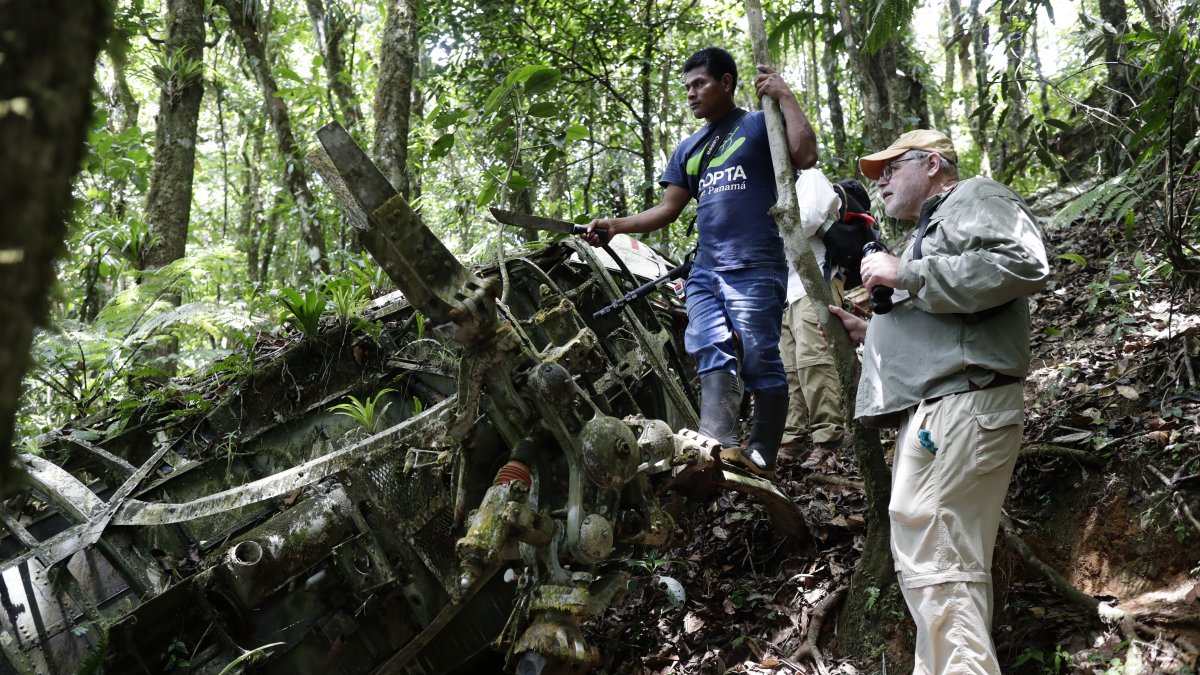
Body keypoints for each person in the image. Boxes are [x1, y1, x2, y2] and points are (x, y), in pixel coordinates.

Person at [827, 129, 1049, 673]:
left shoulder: (975, 196)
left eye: (890, 169)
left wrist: (907, 273)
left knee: (943, 557)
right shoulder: (932, 228)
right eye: (875, 174)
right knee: (931, 558)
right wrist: (875, 331)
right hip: (938, 408)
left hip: (965, 401)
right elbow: (945, 311)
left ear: (932, 163)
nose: (879, 182)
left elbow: (1022, 263)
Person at [583, 47, 817, 478]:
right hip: (706, 270)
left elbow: (804, 155)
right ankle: (718, 446)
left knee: (759, 354)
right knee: (709, 349)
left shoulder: (758, 123)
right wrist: (615, 225)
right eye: (687, 86)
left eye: (700, 84)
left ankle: (764, 452)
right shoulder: (688, 148)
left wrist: (785, 96)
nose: (691, 94)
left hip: (755, 262)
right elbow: (667, 210)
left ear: (726, 82)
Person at [780, 177, 873, 469]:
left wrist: (772, 226)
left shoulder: (810, 177)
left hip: (816, 282)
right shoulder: (776, 189)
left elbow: (806, 221)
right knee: (789, 370)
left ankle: (828, 440)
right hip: (785, 292)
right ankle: (791, 440)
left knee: (814, 362)